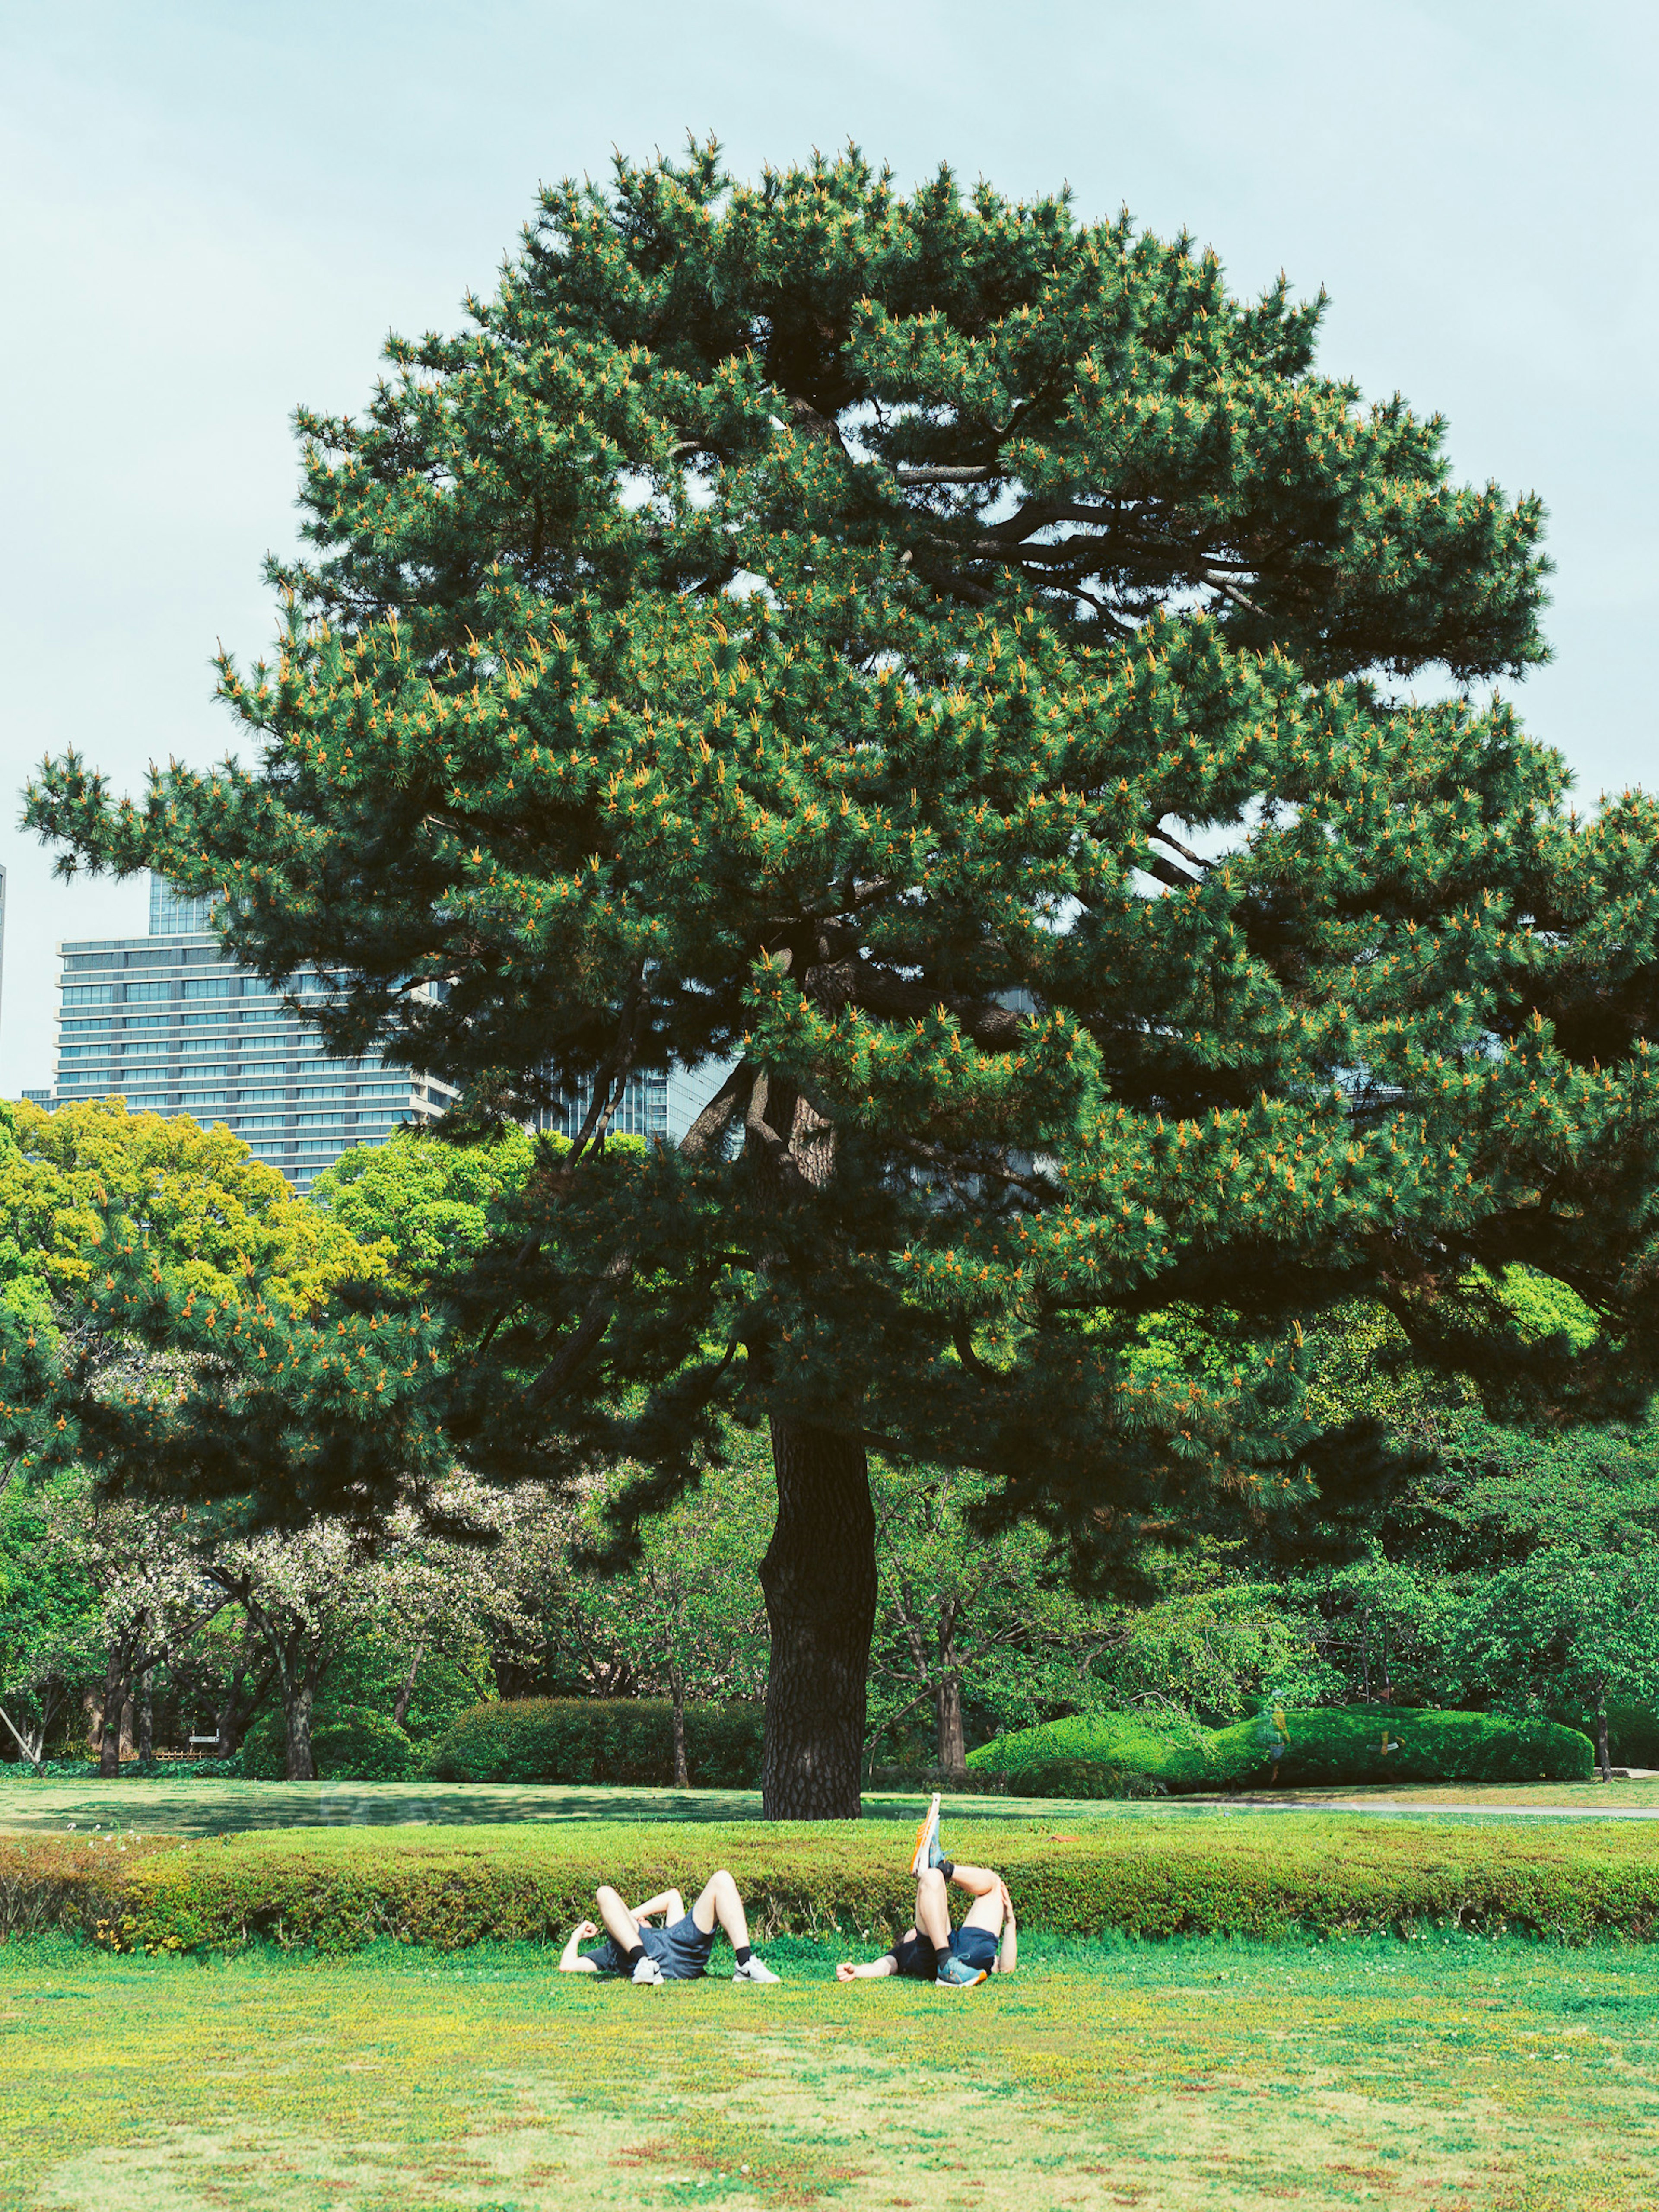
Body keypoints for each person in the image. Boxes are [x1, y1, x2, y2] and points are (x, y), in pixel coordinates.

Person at [836, 1795, 1017, 1989]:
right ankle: (941, 1869)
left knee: (992, 1883)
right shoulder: (904, 1952)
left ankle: (943, 1867)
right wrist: (858, 1971)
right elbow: (882, 1967)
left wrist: (1010, 1922)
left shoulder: (910, 1949)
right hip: (946, 1954)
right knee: (932, 1877)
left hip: (960, 1953)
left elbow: (1004, 1967)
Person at [559, 1866, 781, 1985]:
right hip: (644, 1960)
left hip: (683, 1948)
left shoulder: (670, 1931)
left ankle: (745, 1964)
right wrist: (578, 1934)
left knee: (722, 1879)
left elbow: (672, 1897)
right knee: (603, 1892)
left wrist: (630, 1917)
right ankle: (644, 1963)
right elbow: (568, 1966)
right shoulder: (611, 1951)